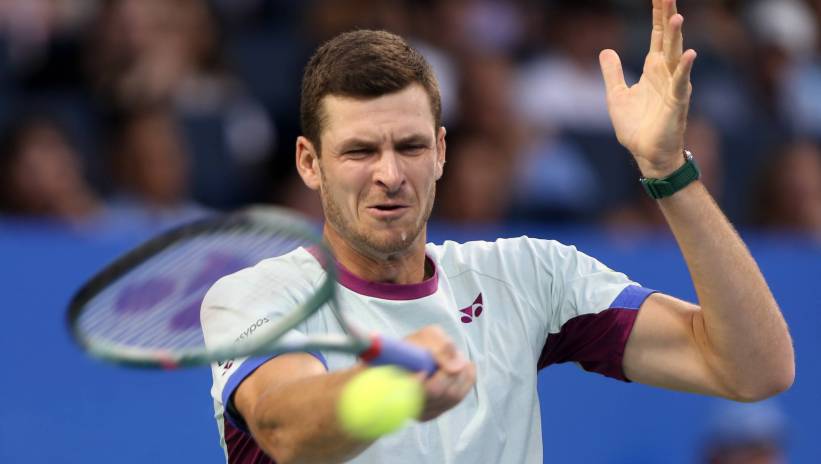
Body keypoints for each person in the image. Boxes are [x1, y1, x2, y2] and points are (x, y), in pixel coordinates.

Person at [201, 1, 795, 462]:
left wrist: (669, 170)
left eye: (409, 146)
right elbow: (284, 427)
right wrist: (393, 392)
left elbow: (753, 368)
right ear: (309, 162)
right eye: (359, 151)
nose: (389, 175)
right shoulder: (256, 296)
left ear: (439, 152)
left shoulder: (527, 276)